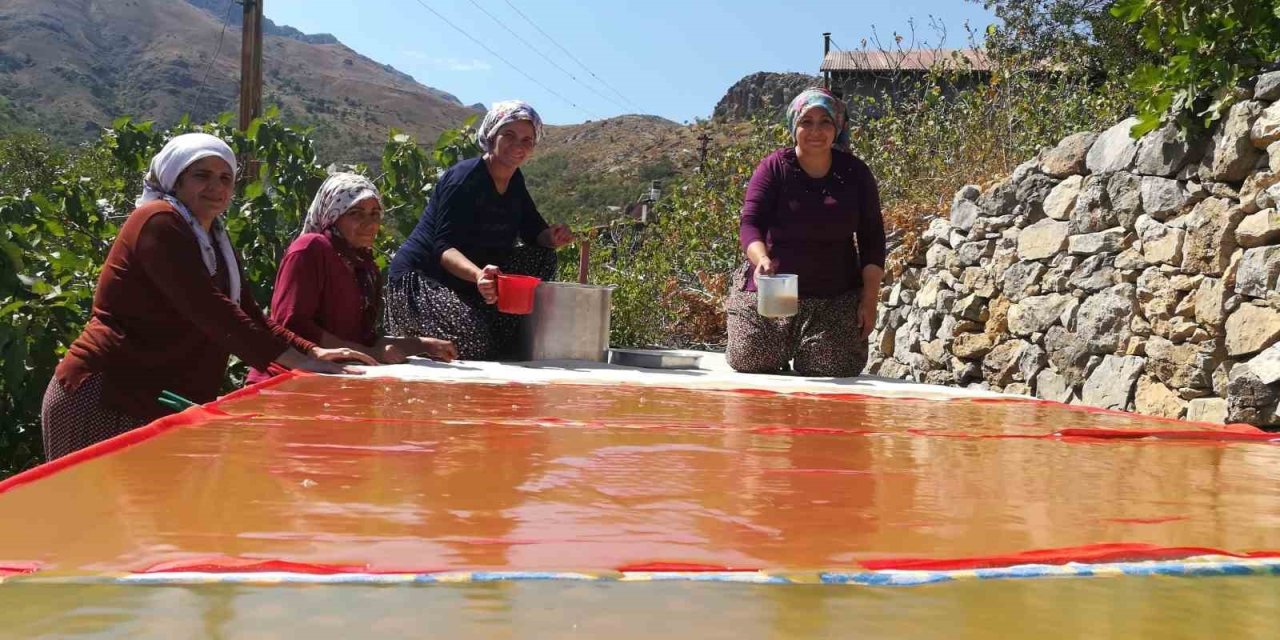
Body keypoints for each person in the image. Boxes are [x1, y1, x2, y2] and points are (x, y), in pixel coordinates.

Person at [42, 133, 377, 461]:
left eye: (225, 178)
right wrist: (300, 362)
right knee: (100, 512)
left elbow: (247, 313)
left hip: (156, 395)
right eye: (202, 176)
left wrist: (313, 350)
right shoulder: (159, 221)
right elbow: (211, 311)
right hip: (108, 394)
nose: (216, 187)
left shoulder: (213, 236)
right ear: (176, 180)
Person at [385, 100, 574, 360]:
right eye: (509, 135)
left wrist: (552, 237)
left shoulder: (515, 181)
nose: (518, 145)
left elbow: (534, 232)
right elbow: (444, 249)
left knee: (543, 256)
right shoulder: (464, 179)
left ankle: (498, 328)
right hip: (422, 280)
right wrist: (478, 276)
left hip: (469, 285)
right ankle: (413, 342)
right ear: (491, 135)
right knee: (474, 344)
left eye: (527, 140)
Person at [725, 87, 886, 377]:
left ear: (837, 127)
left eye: (825, 122)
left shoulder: (856, 174)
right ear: (793, 126)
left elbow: (872, 239)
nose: (816, 131)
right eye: (806, 122)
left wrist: (869, 299)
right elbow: (751, 223)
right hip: (774, 293)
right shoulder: (773, 168)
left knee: (832, 368)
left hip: (834, 298)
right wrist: (760, 259)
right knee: (749, 361)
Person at [246, 173, 457, 384]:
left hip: (331, 380)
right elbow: (292, 324)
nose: (370, 223)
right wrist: (368, 353)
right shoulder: (310, 249)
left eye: (375, 214)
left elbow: (360, 337)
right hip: (284, 381)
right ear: (332, 215)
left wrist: (423, 345)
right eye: (356, 213)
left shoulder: (364, 266)